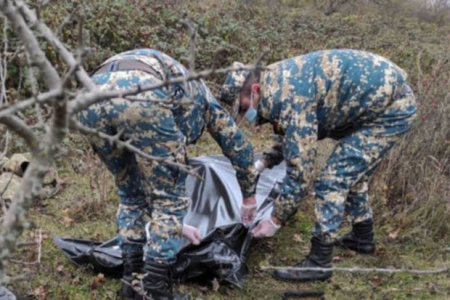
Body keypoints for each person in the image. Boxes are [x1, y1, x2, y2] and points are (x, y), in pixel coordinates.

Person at [219, 49, 417, 282]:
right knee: (354, 175)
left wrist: (275, 219)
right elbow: (291, 135)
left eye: (242, 108)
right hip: (375, 104)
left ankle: (319, 262)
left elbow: (300, 170)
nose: (244, 115)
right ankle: (363, 238)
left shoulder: (290, 95)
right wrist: (263, 163)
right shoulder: (276, 83)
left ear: (254, 91)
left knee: (332, 180)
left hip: (391, 110)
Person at [79, 49, 258, 299]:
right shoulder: (207, 101)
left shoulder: (184, 86)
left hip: (90, 92)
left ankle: (132, 285)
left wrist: (174, 225)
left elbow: (145, 180)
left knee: (130, 195)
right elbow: (240, 149)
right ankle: (155, 291)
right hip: (142, 92)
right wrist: (249, 197)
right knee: (170, 200)